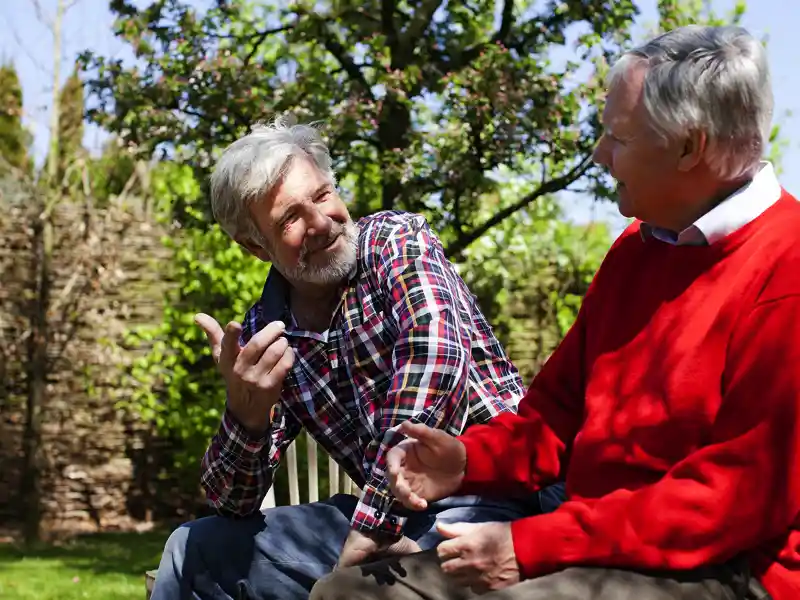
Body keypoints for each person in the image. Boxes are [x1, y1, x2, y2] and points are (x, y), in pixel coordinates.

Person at [309, 24, 800, 600]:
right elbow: (554, 417)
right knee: (348, 594)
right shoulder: (639, 250)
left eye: (618, 137)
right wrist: (466, 461)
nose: (599, 153)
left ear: (690, 147)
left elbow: (725, 504)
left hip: (725, 571)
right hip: (596, 549)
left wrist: (533, 545)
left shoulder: (786, 271)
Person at [149, 116, 566, 600]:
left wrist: (373, 526)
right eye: (290, 219)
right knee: (193, 549)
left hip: (505, 497)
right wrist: (246, 416)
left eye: (323, 195)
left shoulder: (396, 241)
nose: (322, 223)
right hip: (389, 525)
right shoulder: (269, 332)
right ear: (254, 246)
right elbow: (230, 501)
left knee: (362, 589)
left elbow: (434, 361)